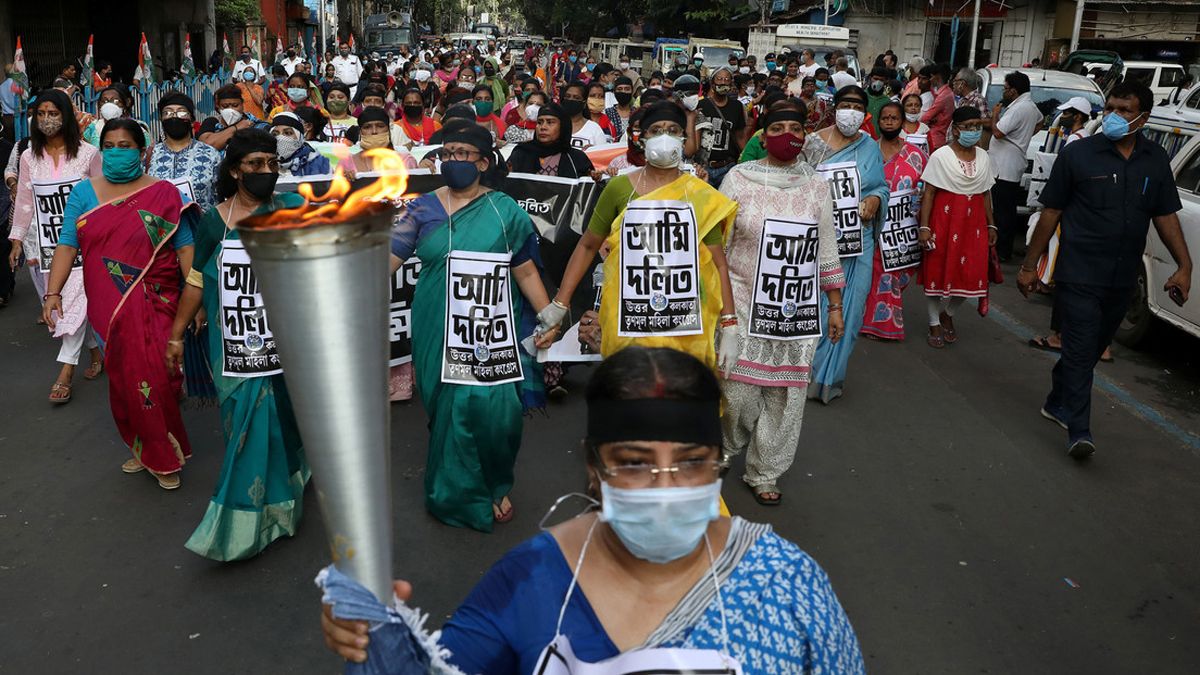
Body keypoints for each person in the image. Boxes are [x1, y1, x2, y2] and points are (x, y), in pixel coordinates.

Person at [320, 346, 866, 673]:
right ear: (593, 466)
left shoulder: (785, 583)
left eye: (692, 462)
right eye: (633, 462)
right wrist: (372, 636)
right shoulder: (531, 579)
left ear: (717, 463)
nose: (665, 486)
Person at [390, 124, 559, 531]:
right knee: (451, 407)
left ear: (484, 162)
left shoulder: (505, 210)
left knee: (498, 411)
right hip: (436, 324)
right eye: (447, 153)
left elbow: (525, 272)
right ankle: (455, 494)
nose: (453, 161)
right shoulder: (421, 208)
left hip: (489, 326)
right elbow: (386, 262)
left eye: (464, 153)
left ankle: (494, 481)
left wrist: (549, 315)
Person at [1018, 81, 1192, 459]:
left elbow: (1164, 214)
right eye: (1109, 107)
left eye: (1124, 110)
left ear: (1143, 118)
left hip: (1122, 277)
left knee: (1092, 348)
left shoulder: (1155, 160)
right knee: (1081, 349)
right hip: (1079, 272)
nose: (1113, 116)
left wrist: (1184, 265)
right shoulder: (1079, 154)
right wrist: (1030, 266)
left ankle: (1057, 396)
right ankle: (1079, 430)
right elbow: (1051, 211)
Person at [165, 128, 309, 558]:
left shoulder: (294, 209)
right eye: (255, 164)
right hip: (233, 348)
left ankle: (283, 505)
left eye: (271, 164)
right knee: (246, 426)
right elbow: (195, 280)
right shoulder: (215, 221)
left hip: (287, 341)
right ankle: (242, 524)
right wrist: (176, 334)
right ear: (234, 170)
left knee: (283, 421)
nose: (265, 171)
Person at [43, 119, 196, 489]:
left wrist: (197, 299)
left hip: (159, 298)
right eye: (109, 145)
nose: (116, 152)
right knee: (126, 378)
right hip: (107, 302)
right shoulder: (84, 194)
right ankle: (147, 447)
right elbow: (67, 244)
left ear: (143, 151)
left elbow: (184, 244)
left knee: (159, 375)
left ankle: (163, 453)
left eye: (125, 145)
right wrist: (53, 292)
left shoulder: (163, 193)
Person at [548, 101, 739, 372]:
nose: (665, 137)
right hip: (628, 317)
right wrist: (559, 304)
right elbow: (588, 245)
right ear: (641, 138)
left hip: (686, 322)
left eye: (673, 130)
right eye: (656, 130)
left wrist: (729, 324)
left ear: (684, 138)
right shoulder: (619, 188)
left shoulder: (701, 194)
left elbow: (719, 263)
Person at [718, 101, 846, 505]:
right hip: (740, 299)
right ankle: (726, 445)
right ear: (762, 135)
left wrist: (835, 304)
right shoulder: (738, 179)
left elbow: (826, 247)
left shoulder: (816, 186)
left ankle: (765, 470)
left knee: (785, 396)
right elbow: (717, 246)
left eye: (796, 127)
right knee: (736, 391)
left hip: (795, 305)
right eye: (778, 128)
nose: (788, 134)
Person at [10, 88, 105, 401]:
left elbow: (103, 199)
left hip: (84, 243)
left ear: (66, 116)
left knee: (72, 303)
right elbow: (25, 201)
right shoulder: (28, 157)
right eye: (41, 114)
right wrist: (17, 240)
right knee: (64, 304)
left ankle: (65, 371)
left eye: (53, 113)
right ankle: (95, 351)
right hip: (48, 246)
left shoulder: (88, 154)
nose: (47, 120)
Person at [802, 85, 889, 403]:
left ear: (865, 113)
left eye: (857, 105)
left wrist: (874, 200)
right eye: (845, 104)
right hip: (818, 243)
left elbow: (881, 185)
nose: (850, 111)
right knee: (817, 307)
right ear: (835, 108)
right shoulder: (813, 144)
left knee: (850, 313)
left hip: (858, 243)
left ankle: (829, 378)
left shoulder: (869, 146)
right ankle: (805, 373)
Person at [916, 107, 995, 348]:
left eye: (977, 125)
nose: (973, 130)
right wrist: (924, 227)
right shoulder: (941, 156)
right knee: (937, 273)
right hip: (945, 220)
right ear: (957, 128)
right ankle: (933, 322)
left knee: (972, 274)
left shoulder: (984, 157)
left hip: (974, 224)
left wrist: (992, 224)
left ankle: (948, 315)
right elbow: (929, 193)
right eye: (968, 125)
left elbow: (986, 192)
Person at [861, 101, 928, 341]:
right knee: (876, 271)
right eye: (885, 118)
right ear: (878, 122)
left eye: (894, 118)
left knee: (893, 273)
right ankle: (878, 325)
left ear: (902, 122)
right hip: (869, 225)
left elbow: (925, 190)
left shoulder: (916, 156)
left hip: (901, 228)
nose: (889, 122)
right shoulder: (867, 151)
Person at [990, 70, 1042, 261]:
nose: (1003, 92)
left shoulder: (1019, 108)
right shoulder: (1029, 106)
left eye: (1005, 89)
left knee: (1003, 211)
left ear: (1013, 90)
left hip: (1005, 166)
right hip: (1009, 162)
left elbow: (997, 132)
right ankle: (1003, 248)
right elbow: (1040, 121)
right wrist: (1023, 137)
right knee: (1007, 209)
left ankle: (1002, 251)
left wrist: (995, 114)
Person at [148, 91, 221, 212]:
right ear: (161, 118)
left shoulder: (211, 155)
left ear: (192, 119)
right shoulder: (150, 155)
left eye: (182, 112)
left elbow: (221, 195)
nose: (174, 116)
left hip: (201, 228)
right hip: (161, 228)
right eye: (168, 112)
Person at [508, 101, 595, 178]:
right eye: (539, 122)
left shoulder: (576, 158)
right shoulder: (521, 152)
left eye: (550, 122)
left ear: (562, 127)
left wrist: (596, 177)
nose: (543, 127)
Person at [698, 67, 747, 188]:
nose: (723, 82)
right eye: (719, 79)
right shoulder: (701, 105)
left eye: (727, 79)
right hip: (704, 168)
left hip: (727, 167)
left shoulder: (737, 107)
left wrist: (745, 161)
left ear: (731, 83)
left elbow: (740, 136)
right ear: (712, 82)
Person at [198, 85, 270, 151]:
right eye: (225, 106)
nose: (231, 110)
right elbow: (205, 147)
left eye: (235, 105)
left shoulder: (257, 125)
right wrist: (237, 127)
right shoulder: (212, 123)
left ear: (242, 105)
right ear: (218, 106)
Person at [270, 112, 330, 178]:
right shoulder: (264, 164)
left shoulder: (318, 163)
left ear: (299, 137)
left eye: (287, 133)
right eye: (275, 134)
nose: (280, 138)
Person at [561, 82, 608, 149]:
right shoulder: (555, 125)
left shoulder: (594, 129)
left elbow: (602, 155)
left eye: (576, 98)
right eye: (568, 96)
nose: (571, 100)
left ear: (584, 103)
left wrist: (593, 151)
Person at [919, 63, 955, 151]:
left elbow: (924, 118)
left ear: (937, 77)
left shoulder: (943, 96)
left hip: (937, 138)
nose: (930, 80)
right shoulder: (944, 93)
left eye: (931, 77)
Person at [603, 76, 636, 141]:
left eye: (627, 89)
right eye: (619, 89)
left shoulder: (637, 113)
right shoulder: (607, 113)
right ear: (614, 92)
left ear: (632, 91)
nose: (623, 92)